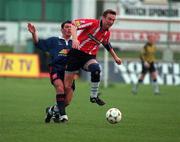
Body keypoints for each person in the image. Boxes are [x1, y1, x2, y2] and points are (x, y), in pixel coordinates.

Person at [64, 9, 122, 107]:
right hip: (76, 54)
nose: (111, 22)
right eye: (109, 19)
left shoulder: (107, 33)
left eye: (113, 20)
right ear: (103, 18)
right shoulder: (92, 23)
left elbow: (106, 43)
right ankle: (54, 110)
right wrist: (74, 39)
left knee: (96, 69)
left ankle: (93, 96)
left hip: (89, 57)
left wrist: (115, 57)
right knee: (67, 88)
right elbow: (73, 24)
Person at [27, 21, 75, 123]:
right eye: (66, 27)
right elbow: (38, 43)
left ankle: (51, 110)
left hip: (69, 72)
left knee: (67, 101)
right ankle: (63, 115)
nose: (69, 29)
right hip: (56, 68)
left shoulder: (75, 43)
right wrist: (33, 33)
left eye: (71, 27)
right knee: (60, 88)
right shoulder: (54, 41)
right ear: (62, 30)